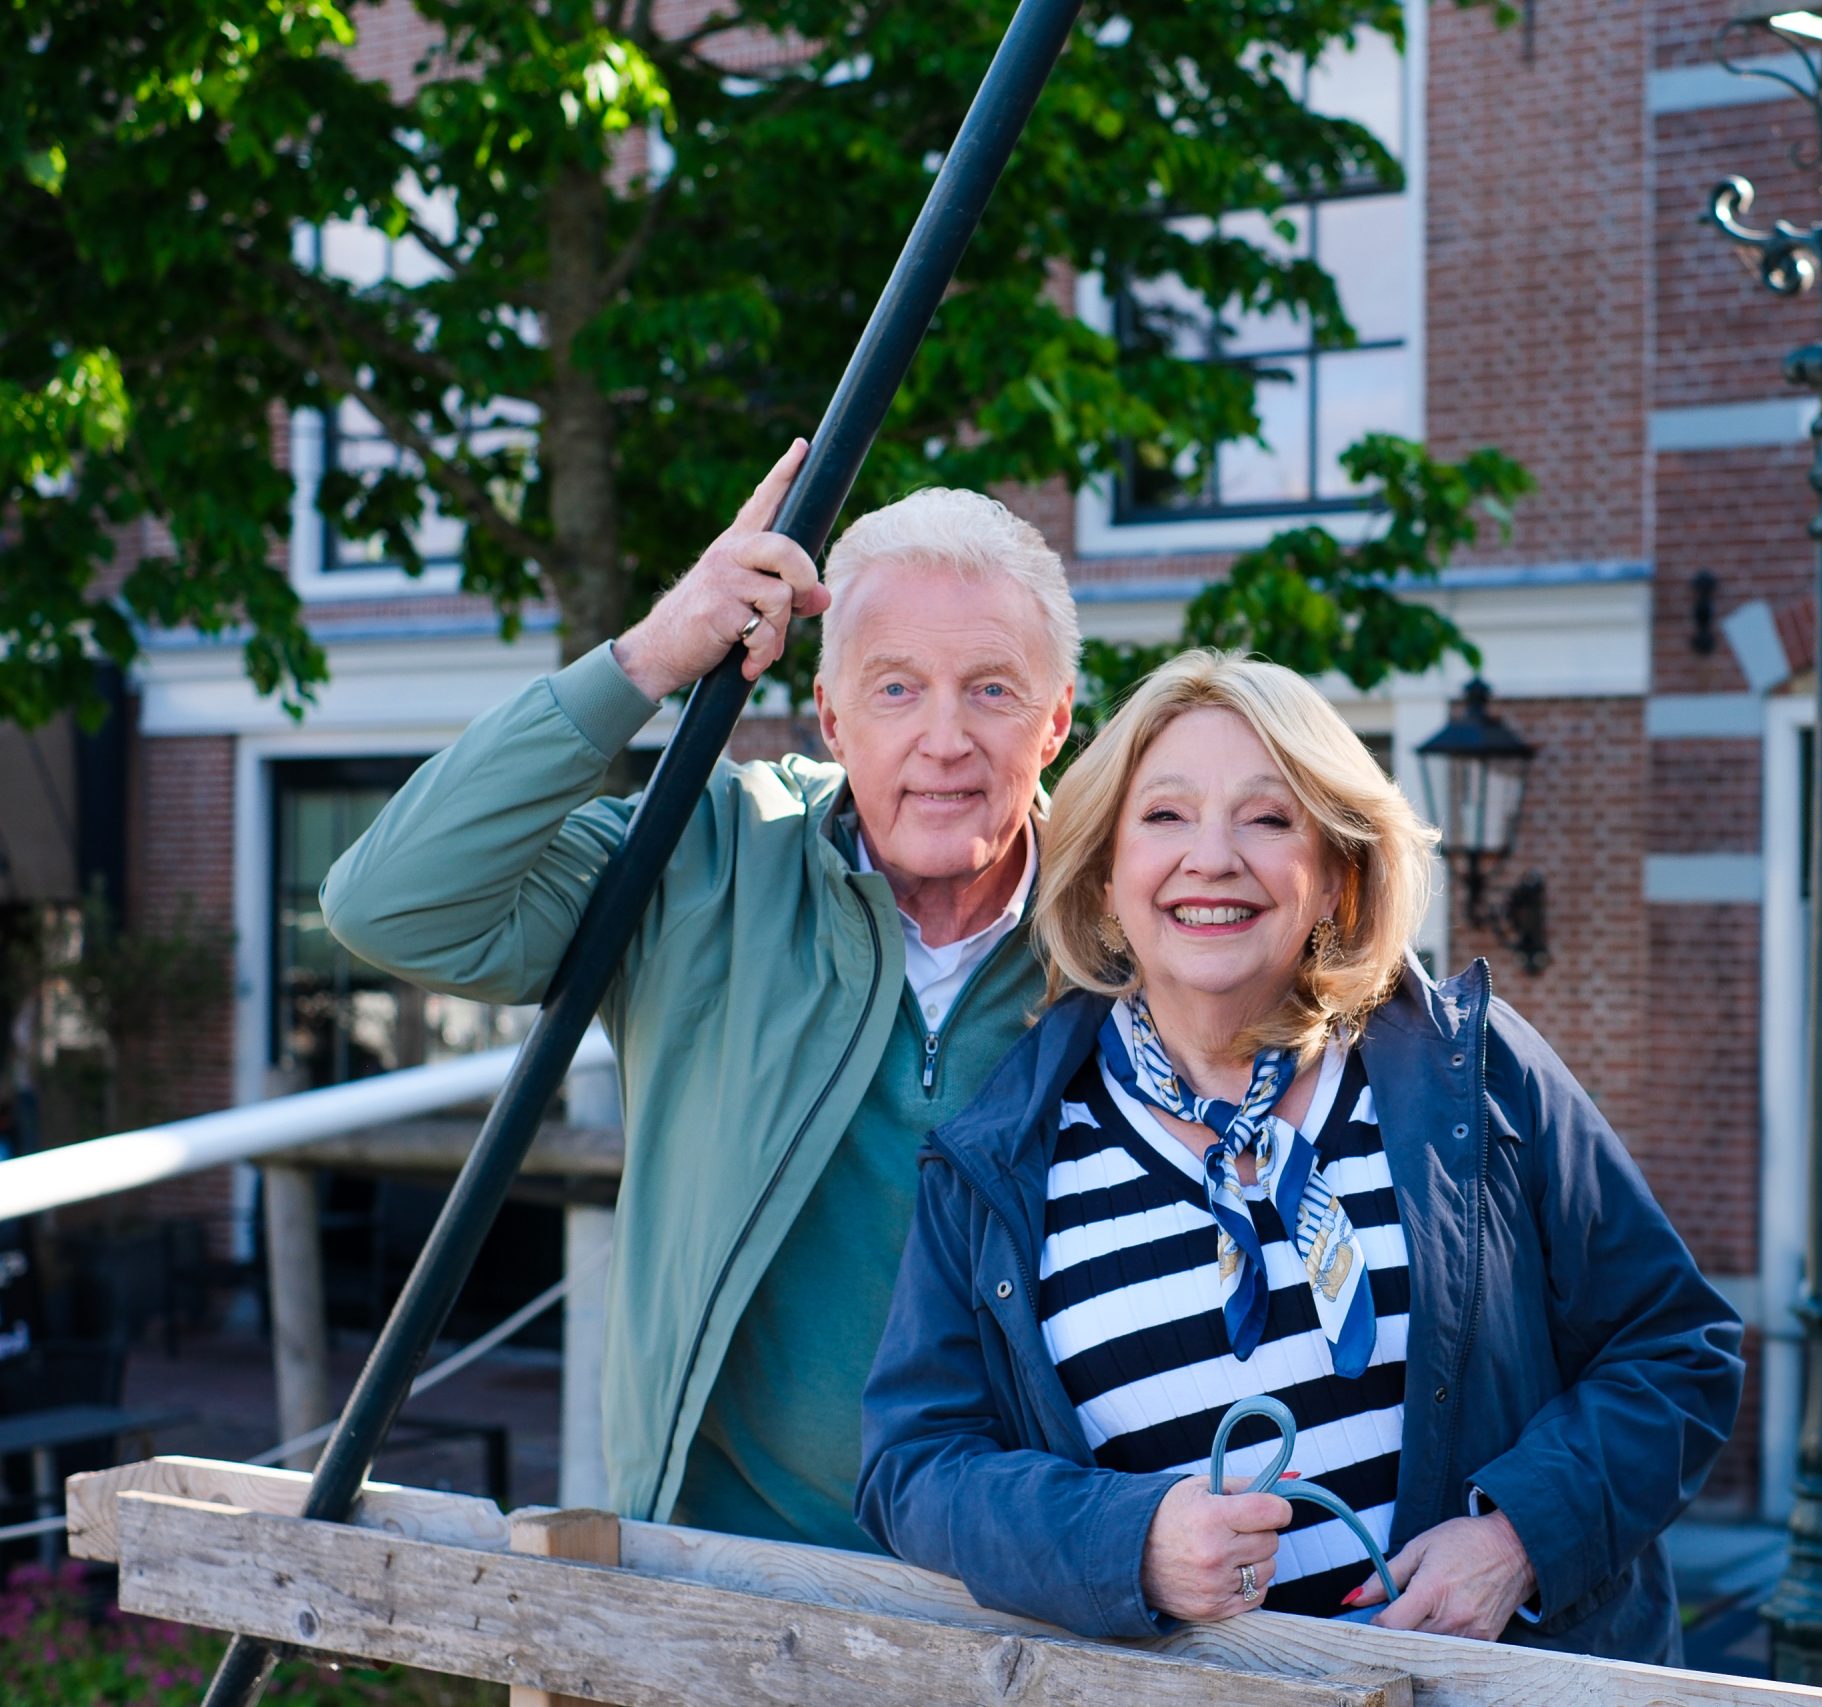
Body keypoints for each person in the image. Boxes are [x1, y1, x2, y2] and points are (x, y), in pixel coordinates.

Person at [857, 650, 1743, 1662]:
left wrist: (1519, 1540)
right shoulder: (1000, 1158)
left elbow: (1677, 1349)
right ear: (1106, 875)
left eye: (1269, 819)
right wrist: (1126, 1543)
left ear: (1335, 877)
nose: (1213, 856)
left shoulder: (1473, 1074)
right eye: (1165, 816)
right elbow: (914, 1467)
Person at [320, 441, 1080, 1547]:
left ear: (1054, 722)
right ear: (832, 716)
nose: (944, 739)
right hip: (728, 1571)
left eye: (992, 690)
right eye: (897, 688)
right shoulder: (705, 857)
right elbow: (392, 900)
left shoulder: (1125, 921)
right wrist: (653, 653)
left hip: (1029, 1581)